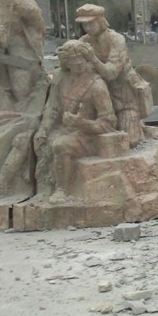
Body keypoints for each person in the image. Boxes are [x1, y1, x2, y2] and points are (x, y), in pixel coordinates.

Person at [34, 40, 117, 204]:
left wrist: (82, 123)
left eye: (82, 58)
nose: (79, 62)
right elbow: (52, 107)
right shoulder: (60, 78)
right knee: (26, 140)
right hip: (64, 130)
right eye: (73, 59)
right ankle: (20, 188)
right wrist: (43, 129)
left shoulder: (96, 85)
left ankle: (61, 190)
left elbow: (109, 123)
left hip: (88, 136)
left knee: (61, 145)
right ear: (66, 62)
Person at [75, 4, 152, 147]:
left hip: (123, 97)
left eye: (91, 23)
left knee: (129, 141)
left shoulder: (116, 39)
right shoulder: (84, 41)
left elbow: (111, 73)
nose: (87, 28)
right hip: (98, 98)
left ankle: (136, 124)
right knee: (88, 138)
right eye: (84, 25)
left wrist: (92, 58)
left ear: (100, 21)